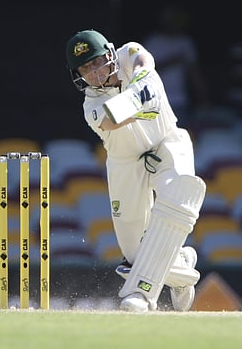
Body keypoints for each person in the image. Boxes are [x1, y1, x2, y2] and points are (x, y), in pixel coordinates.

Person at [65, 30, 206, 312]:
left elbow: (144, 60)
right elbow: (112, 119)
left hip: (167, 142)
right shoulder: (91, 106)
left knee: (179, 194)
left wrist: (143, 79)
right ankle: (183, 271)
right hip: (125, 162)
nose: (94, 73)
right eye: (85, 68)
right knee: (135, 255)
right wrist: (141, 97)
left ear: (110, 54)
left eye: (97, 62)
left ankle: (141, 295)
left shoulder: (128, 54)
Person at [142, 5, 208, 127]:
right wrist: (171, 61)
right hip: (155, 101)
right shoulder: (153, 41)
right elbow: (142, 72)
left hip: (180, 101)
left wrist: (202, 96)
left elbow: (194, 72)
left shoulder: (185, 42)